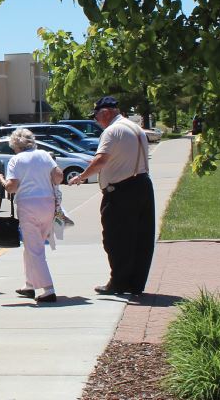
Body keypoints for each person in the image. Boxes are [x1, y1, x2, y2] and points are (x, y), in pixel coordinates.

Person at [70, 96, 156, 295]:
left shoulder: (112, 131)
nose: (96, 121)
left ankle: (118, 282)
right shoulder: (135, 128)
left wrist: (81, 177)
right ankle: (135, 283)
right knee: (140, 238)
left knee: (115, 238)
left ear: (106, 112)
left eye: (97, 117)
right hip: (142, 184)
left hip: (121, 191)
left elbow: (101, 160)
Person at [0, 128, 64, 303]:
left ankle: (48, 289)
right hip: (47, 204)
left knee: (34, 248)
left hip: (28, 205)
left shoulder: (15, 160)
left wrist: (0, 179)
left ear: (16, 145)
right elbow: (59, 177)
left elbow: (11, 188)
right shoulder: (45, 155)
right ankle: (29, 284)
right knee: (33, 247)